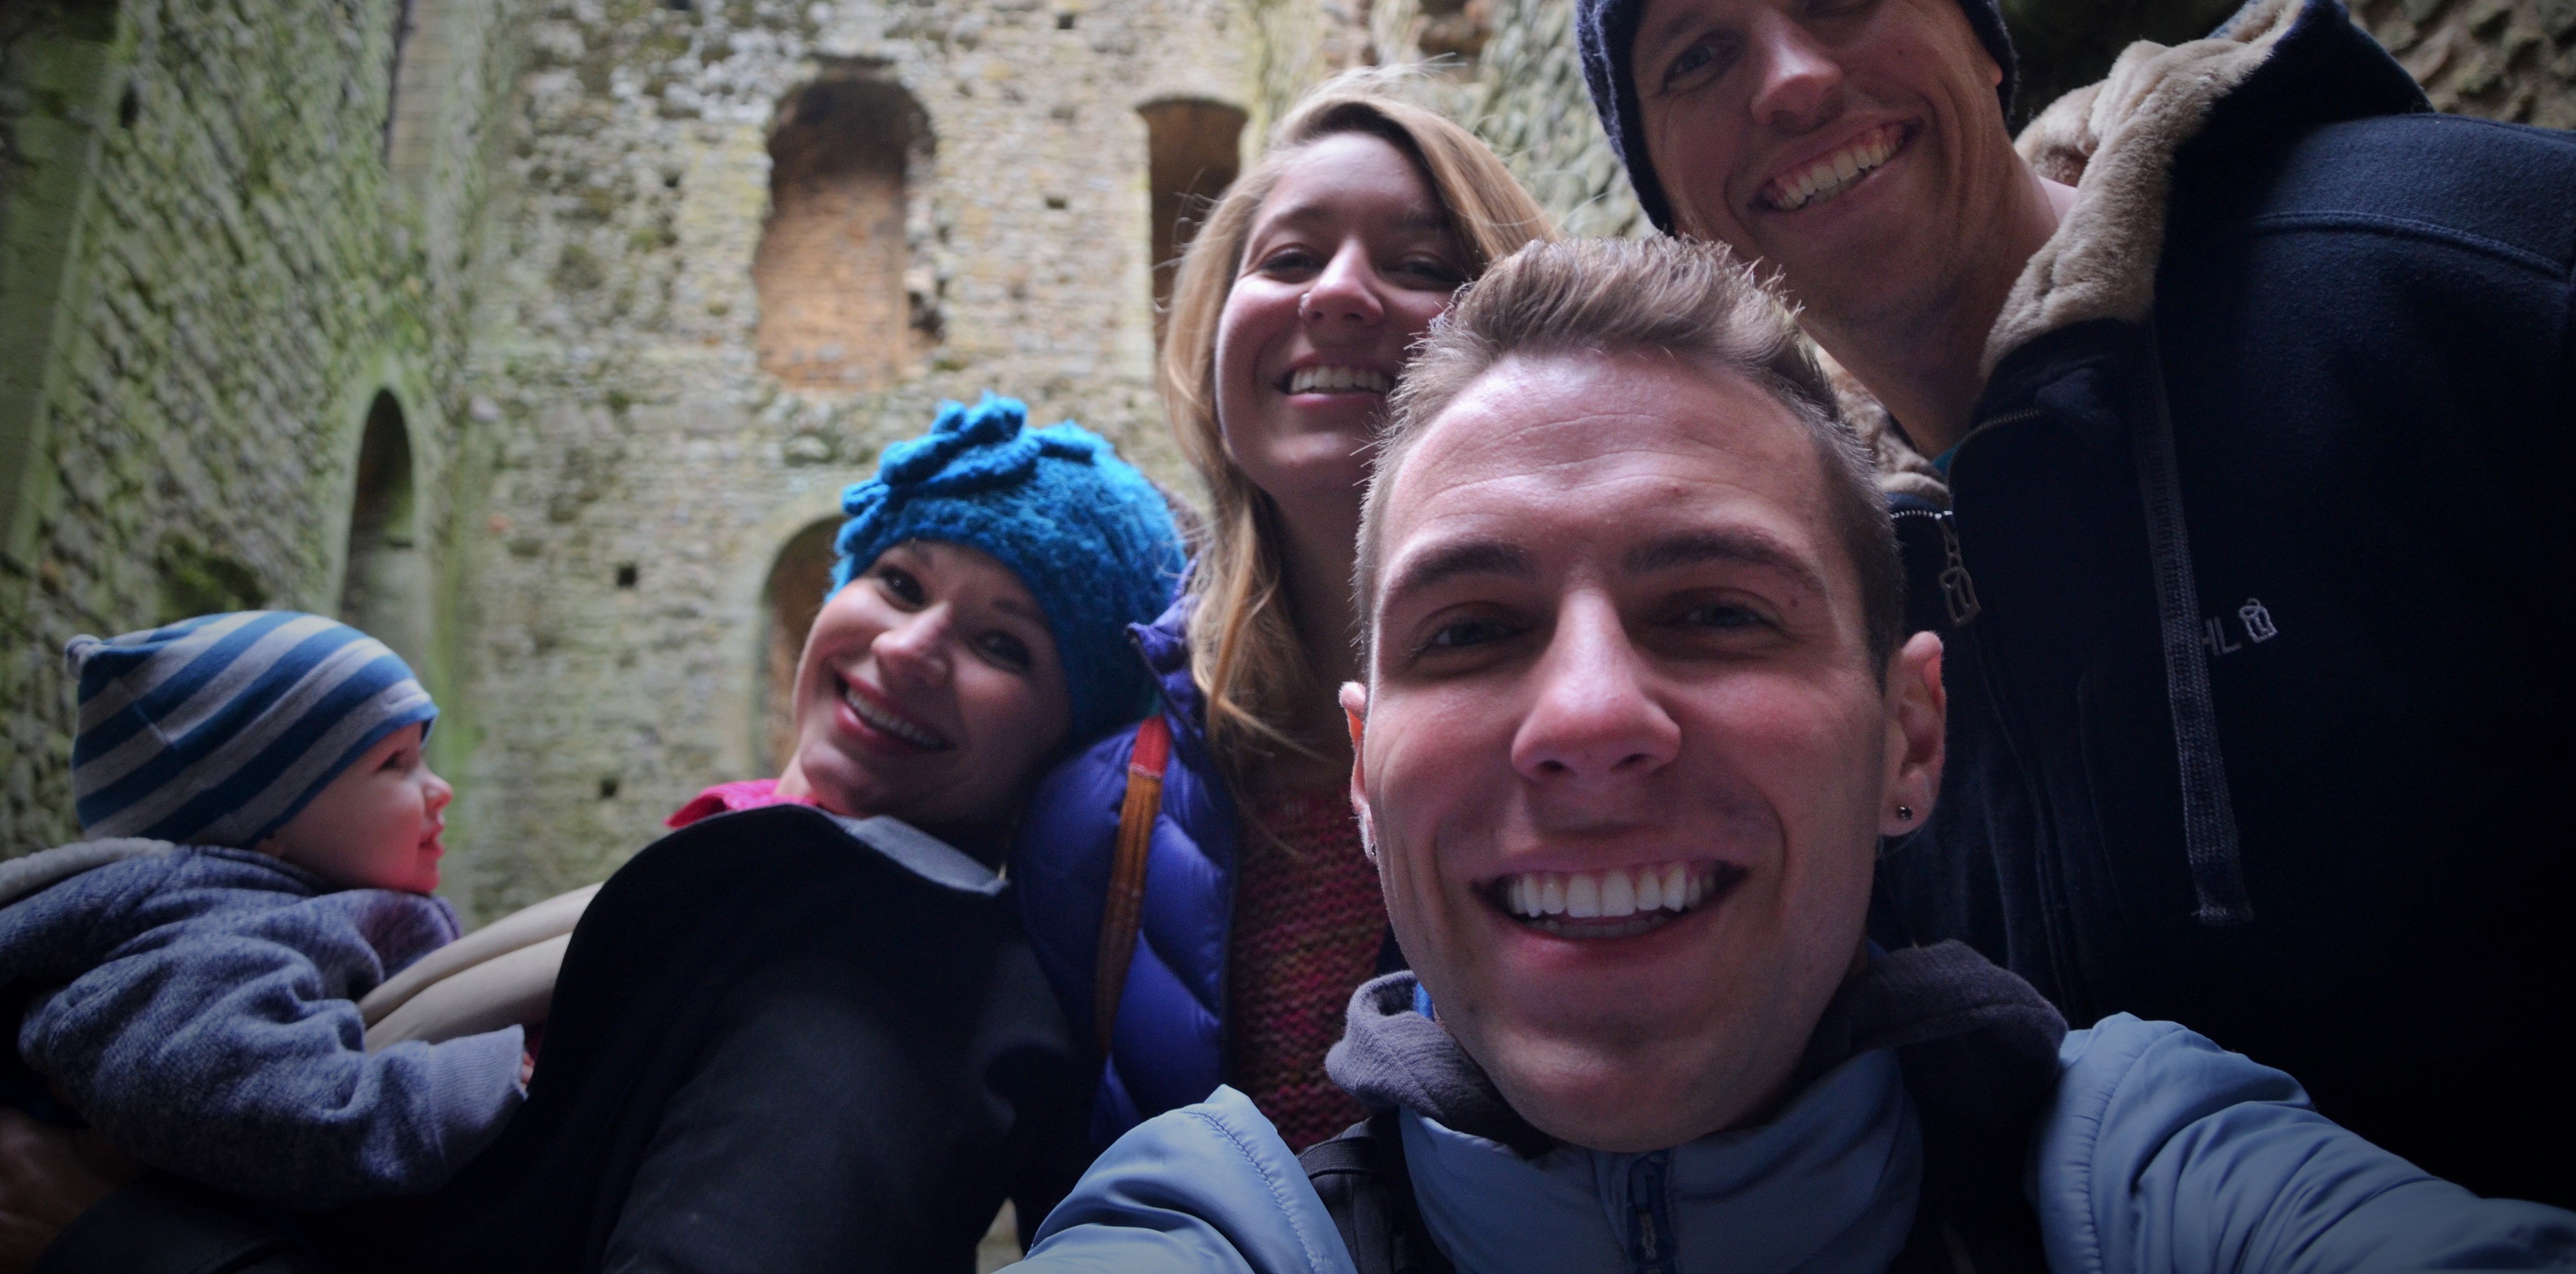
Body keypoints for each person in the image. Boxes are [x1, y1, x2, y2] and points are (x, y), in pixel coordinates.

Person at [1015, 237, 2576, 1274]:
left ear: (1909, 735)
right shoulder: (1215, 1223)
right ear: (1364, 777)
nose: (1586, 718)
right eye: (1471, 630)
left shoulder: (2149, 1174)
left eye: (1713, 609)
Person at [1572, 0, 2576, 1203]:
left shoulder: (2451, 274)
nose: (1792, 81)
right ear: (1676, 213)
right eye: (1698, 58)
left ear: (1984, 37)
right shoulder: (1819, 616)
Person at [25, 396, 1187, 1274]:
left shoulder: (893, 965)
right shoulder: (742, 879)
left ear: (1060, 738)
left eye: (1002, 645)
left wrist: (114, 1237)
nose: (908, 647)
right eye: (898, 580)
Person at [1013, 77, 1554, 1153]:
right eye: (1290, 258)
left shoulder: (1629, 729)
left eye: (1420, 265)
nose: (1339, 294)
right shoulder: (1097, 822)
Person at [0, 612, 521, 1207]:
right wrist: (454, 1089)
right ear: (265, 824)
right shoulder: (216, 928)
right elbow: (220, 1088)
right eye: (394, 763)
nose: (439, 788)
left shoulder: (279, 908)